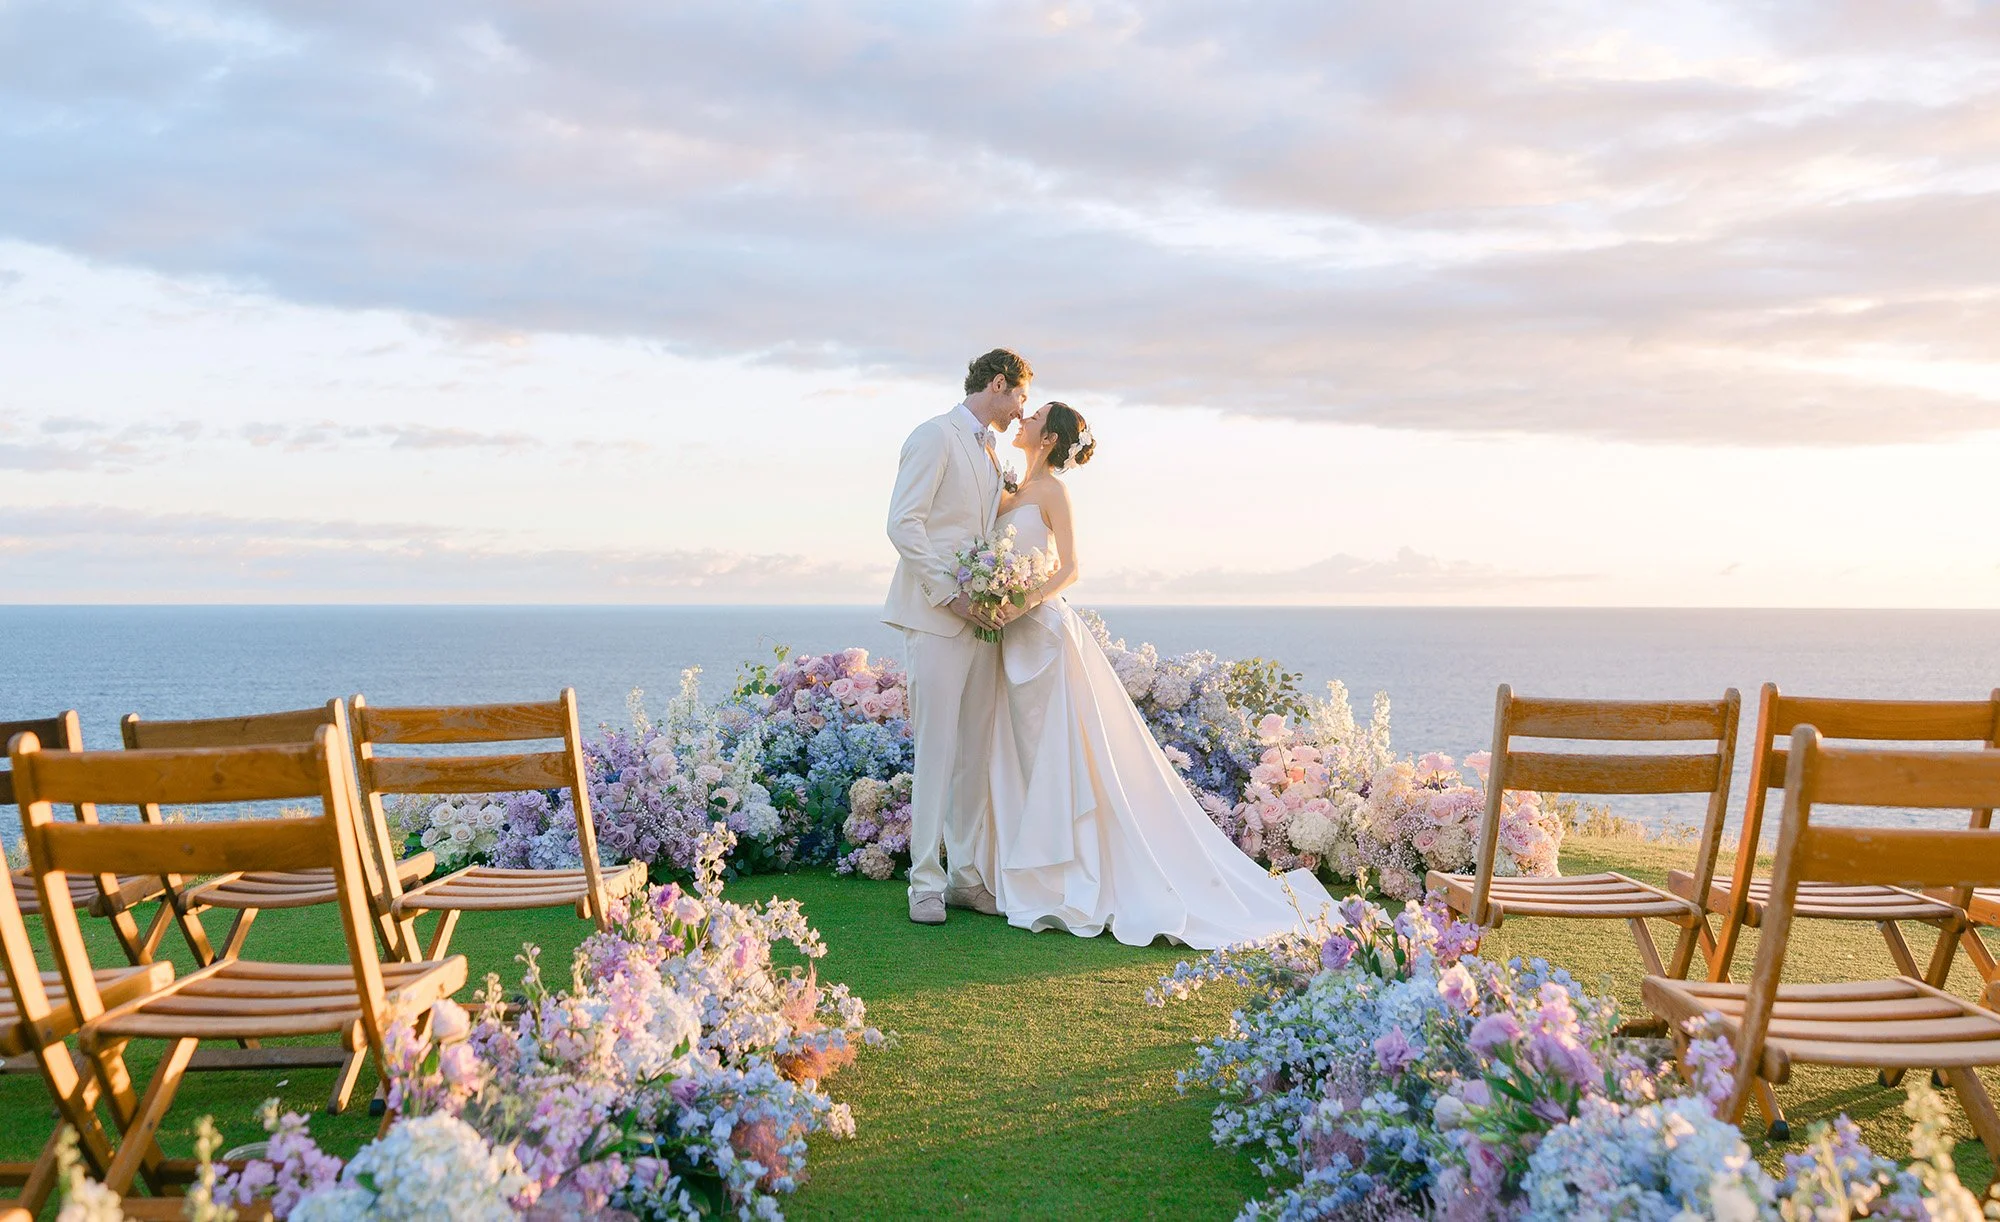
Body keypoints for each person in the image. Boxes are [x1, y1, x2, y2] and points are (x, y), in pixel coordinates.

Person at [987, 402, 1334, 948]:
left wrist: (1019, 601)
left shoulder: (1053, 491)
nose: (1024, 419)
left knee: (1063, 755)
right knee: (1024, 755)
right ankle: (1028, 870)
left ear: (1049, 439)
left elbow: (1071, 568)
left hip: (1046, 635)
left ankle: (1069, 875)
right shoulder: (1010, 486)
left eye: (1036, 417)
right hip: (1011, 641)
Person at [882, 348, 1030, 925]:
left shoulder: (992, 454)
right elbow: (903, 523)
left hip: (985, 621)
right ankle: (924, 880)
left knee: (973, 752)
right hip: (938, 615)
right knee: (937, 751)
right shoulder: (934, 435)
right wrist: (953, 594)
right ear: (998, 384)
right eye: (1019, 397)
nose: (1022, 412)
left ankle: (966, 876)